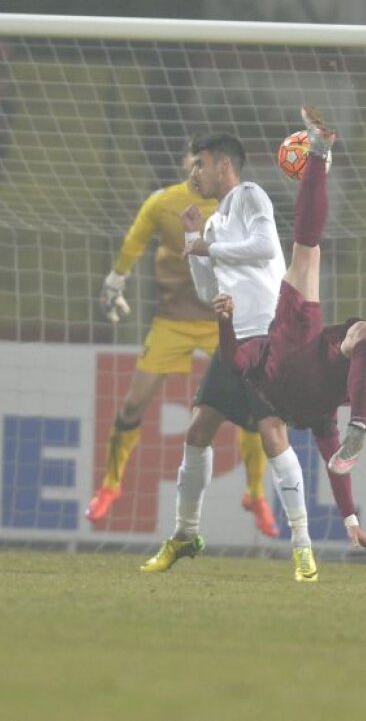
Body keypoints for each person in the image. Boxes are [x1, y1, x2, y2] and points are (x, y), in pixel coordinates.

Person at [214, 105, 366, 556]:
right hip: (305, 357)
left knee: (322, 271)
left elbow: (335, 462)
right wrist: (349, 517)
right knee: (320, 270)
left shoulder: (307, 409)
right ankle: (319, 158)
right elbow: (336, 464)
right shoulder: (309, 408)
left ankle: (318, 161)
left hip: (304, 364)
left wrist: (226, 325)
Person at [86, 140, 277, 540]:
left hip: (220, 322)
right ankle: (110, 485)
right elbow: (135, 241)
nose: (196, 170)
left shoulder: (233, 206)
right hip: (171, 321)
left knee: (254, 407)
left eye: (202, 163)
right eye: (193, 162)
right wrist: (115, 281)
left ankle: (256, 494)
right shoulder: (163, 202)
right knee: (134, 403)